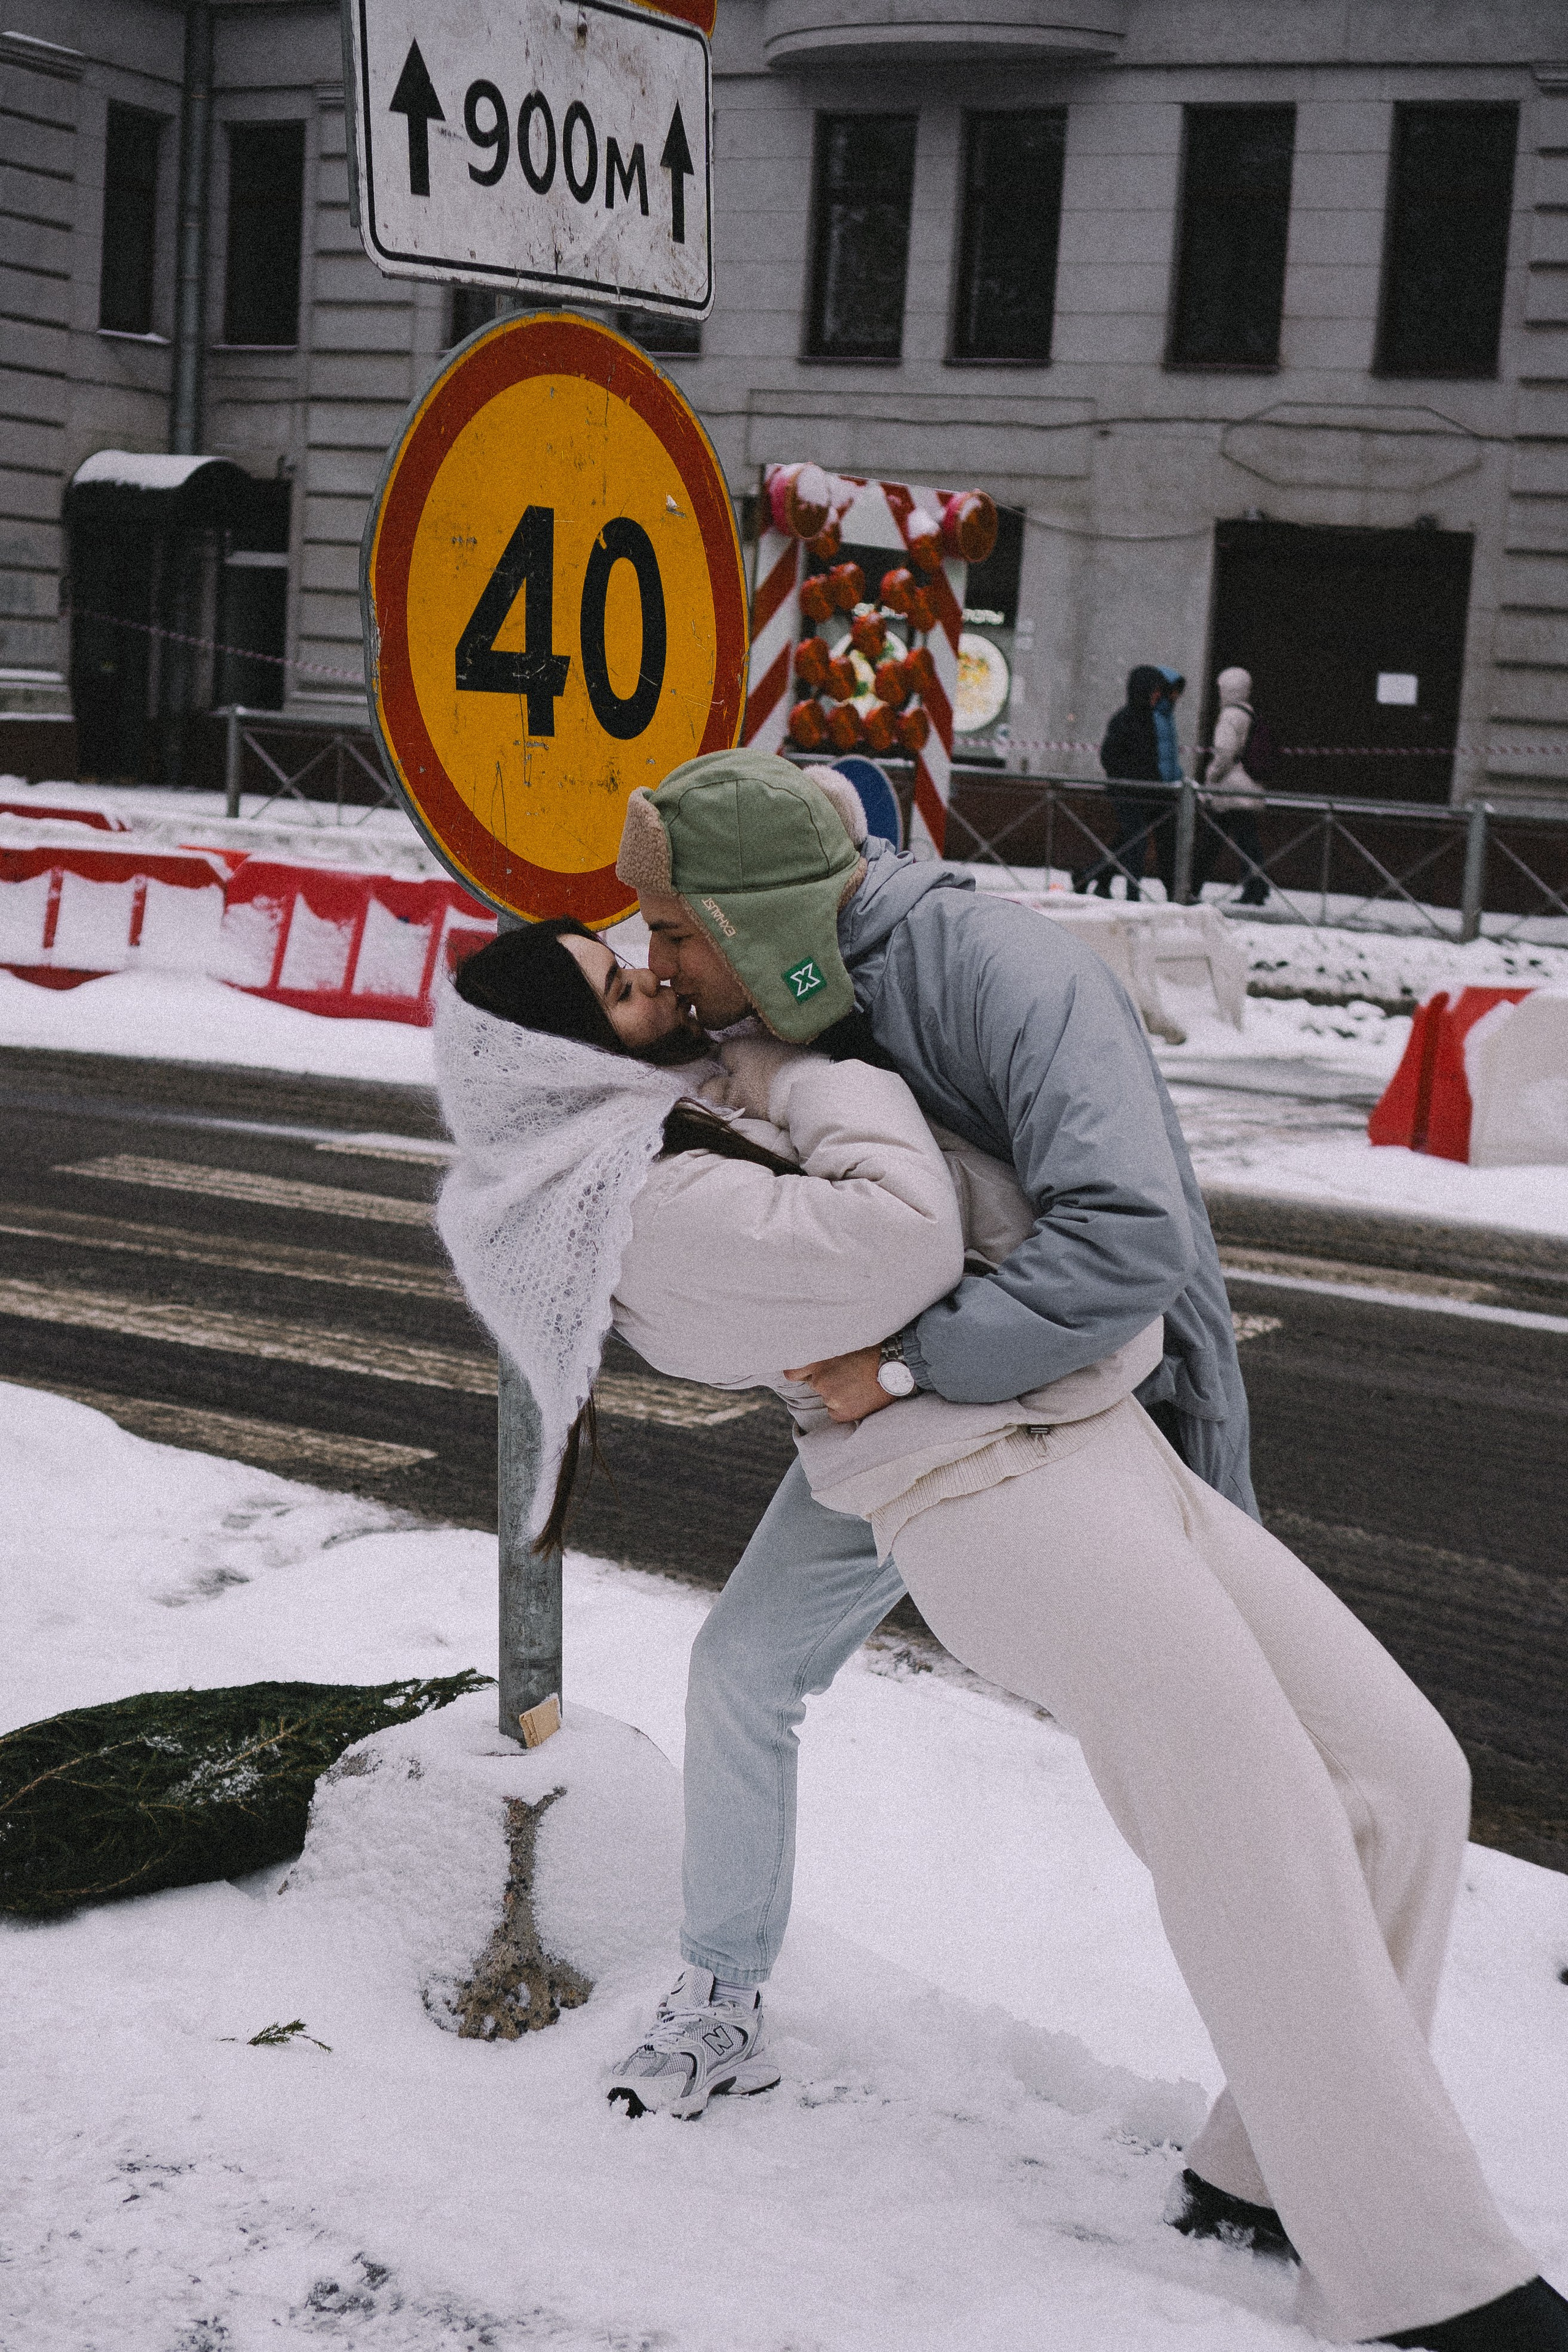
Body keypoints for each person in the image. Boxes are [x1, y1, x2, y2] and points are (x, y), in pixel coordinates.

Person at [434, 873, 1564, 2352]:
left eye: (644, 956)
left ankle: (1270, 2163)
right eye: (618, 986)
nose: (655, 980)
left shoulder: (694, 1102)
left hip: (1097, 1433)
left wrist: (765, 1067)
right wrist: (804, 1064)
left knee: (1402, 1775)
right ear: (563, 1056)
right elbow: (902, 1237)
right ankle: (1422, 2277)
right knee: (1256, 1814)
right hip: (987, 1496)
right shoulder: (641, 1203)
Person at [1076, 663, 1184, 900]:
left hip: (1151, 792)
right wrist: (1132, 779)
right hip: (1127, 793)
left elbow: (1155, 758)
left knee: (1131, 840)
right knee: (1136, 841)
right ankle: (1132, 895)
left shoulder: (1152, 719)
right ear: (1144, 690)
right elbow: (1110, 757)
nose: (1159, 694)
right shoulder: (1126, 719)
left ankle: (1093, 876)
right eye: (1155, 690)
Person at [1194, 665, 1271, 906]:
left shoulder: (1229, 716)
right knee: (1246, 840)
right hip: (1247, 787)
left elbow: (1225, 753)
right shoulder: (1250, 713)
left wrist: (1211, 777)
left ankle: (1191, 885)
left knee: (1212, 840)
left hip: (1230, 788)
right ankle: (1256, 886)